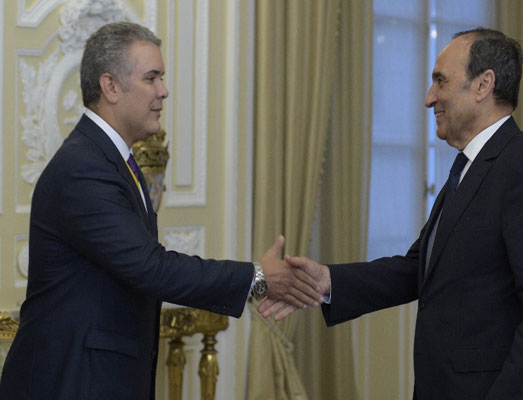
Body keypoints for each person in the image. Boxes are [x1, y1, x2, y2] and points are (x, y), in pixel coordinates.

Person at [0, 22, 323, 399]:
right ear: (110, 87)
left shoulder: (112, 160)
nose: (163, 91)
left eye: (162, 78)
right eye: (151, 78)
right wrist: (257, 276)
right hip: (72, 382)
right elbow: (151, 268)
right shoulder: (84, 168)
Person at [261, 28, 523, 399]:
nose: (430, 98)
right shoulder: (469, 168)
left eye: (441, 81)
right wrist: (328, 281)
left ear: (483, 84)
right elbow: (419, 270)